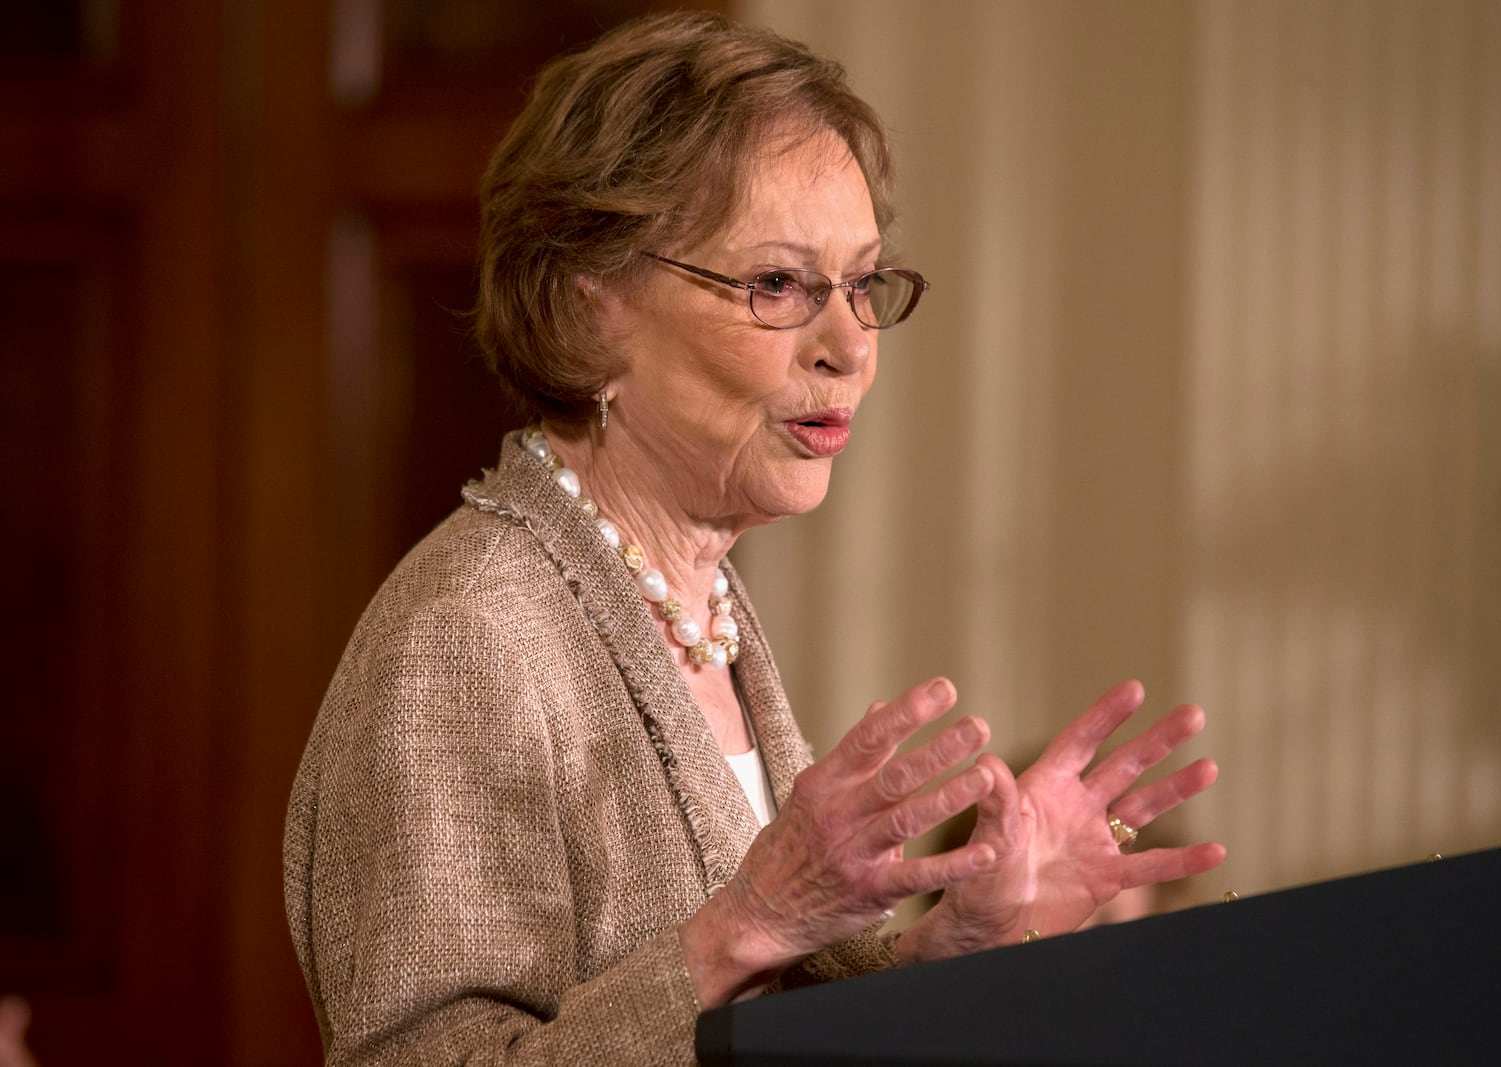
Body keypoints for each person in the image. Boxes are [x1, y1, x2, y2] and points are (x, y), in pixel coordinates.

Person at [283, 11, 1224, 1064]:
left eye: (863, 282)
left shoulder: (697, 597)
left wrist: (949, 950)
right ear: (589, 304)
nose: (849, 345)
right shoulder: (465, 636)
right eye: (778, 284)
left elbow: (763, 1019)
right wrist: (748, 920)